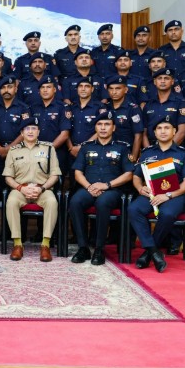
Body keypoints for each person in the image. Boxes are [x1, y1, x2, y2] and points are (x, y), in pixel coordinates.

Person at [128, 115, 185, 273]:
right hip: (151, 194)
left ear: (174, 131)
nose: (163, 131)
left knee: (167, 213)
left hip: (175, 195)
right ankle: (154, 252)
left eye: (167, 128)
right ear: (154, 133)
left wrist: (168, 195)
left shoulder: (184, 154)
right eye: (159, 128)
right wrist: (140, 188)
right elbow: (136, 176)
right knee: (133, 209)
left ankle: (148, 253)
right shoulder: (147, 153)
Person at [68, 112, 134, 265]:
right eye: (99, 124)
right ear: (95, 127)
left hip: (112, 190)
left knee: (102, 203)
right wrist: (89, 186)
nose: (103, 128)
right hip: (88, 188)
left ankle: (99, 249)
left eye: (107, 124)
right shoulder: (86, 147)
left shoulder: (122, 147)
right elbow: (77, 172)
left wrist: (107, 185)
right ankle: (83, 248)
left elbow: (129, 174)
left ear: (114, 128)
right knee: (75, 202)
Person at [3, 117, 61, 262]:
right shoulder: (13, 151)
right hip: (20, 190)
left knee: (52, 202)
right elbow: (8, 177)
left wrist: (42, 188)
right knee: (11, 202)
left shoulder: (49, 148)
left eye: (33, 128)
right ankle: (17, 244)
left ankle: (45, 244)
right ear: (22, 133)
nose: (30, 131)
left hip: (42, 189)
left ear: (38, 132)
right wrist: (20, 188)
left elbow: (55, 174)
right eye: (27, 129)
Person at [0, 74, 30, 183]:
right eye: (3, 87)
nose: (6, 90)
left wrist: (9, 149)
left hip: (18, 150)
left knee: (17, 181)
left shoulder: (24, 108)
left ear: (15, 89)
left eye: (10, 87)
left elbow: (26, 132)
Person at [141, 67, 185, 148]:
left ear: (172, 81)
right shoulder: (148, 104)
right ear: (155, 82)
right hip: (151, 148)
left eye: (166, 78)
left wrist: (166, 150)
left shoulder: (181, 103)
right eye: (159, 78)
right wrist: (149, 151)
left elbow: (182, 132)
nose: (163, 81)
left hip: (174, 149)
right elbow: (144, 133)